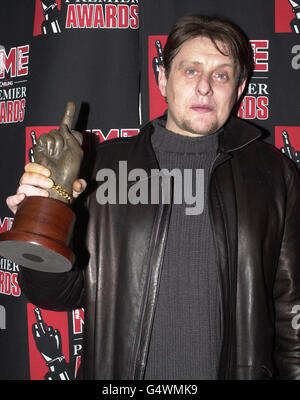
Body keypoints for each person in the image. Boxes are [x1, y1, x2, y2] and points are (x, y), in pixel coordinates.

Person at [6, 14, 300, 380]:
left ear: (239, 89)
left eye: (221, 75)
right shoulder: (101, 168)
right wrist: (43, 214)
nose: (205, 87)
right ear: (162, 78)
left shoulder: (273, 175)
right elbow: (55, 296)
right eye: (191, 71)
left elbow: (291, 311)